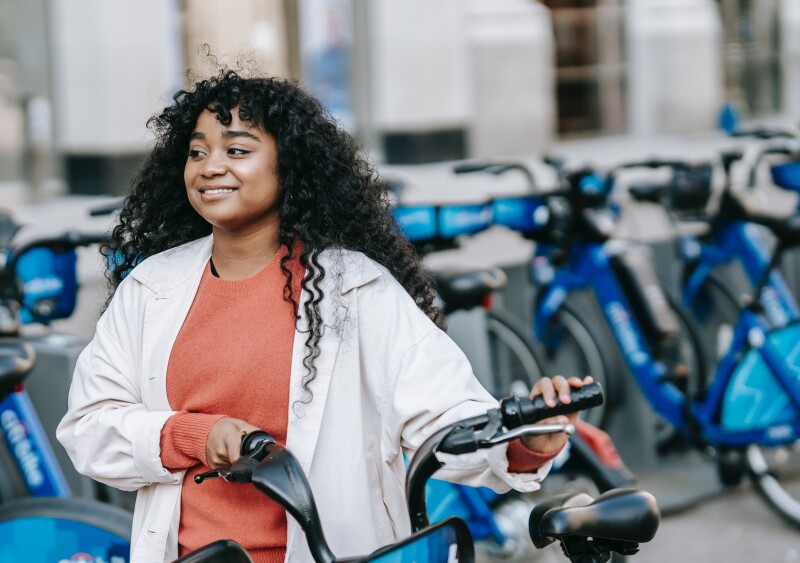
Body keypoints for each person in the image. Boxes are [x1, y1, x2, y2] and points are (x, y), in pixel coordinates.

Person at [57, 70, 592, 563]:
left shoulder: (354, 288)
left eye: (237, 150)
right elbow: (88, 428)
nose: (211, 167)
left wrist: (523, 442)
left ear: (289, 167)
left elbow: (445, 420)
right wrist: (193, 435)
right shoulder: (152, 288)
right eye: (197, 152)